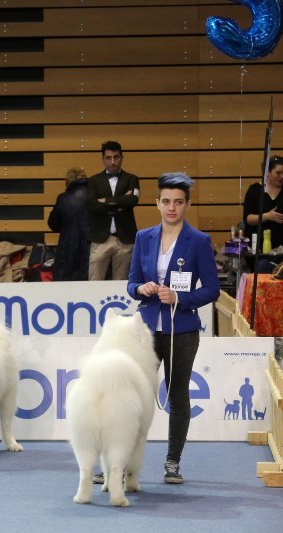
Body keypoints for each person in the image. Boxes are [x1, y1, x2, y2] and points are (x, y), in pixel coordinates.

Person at [126, 172, 219, 483]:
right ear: (157, 203)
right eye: (166, 201)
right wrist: (141, 290)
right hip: (147, 328)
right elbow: (131, 283)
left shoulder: (200, 241)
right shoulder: (143, 237)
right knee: (136, 395)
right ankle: (122, 461)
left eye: (178, 202)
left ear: (187, 205)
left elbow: (212, 290)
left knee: (178, 395)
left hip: (184, 329)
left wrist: (180, 296)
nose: (171, 208)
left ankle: (172, 462)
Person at [86, 140, 140, 280]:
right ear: (103, 159)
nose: (113, 162)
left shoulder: (132, 179)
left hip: (125, 239)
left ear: (122, 157)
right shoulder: (93, 181)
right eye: (108, 158)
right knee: (94, 282)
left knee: (121, 284)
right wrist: (121, 203)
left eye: (116, 157)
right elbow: (91, 205)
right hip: (100, 239)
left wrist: (105, 201)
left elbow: (133, 200)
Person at [47, 167, 90, 281]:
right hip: (90, 245)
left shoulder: (62, 198)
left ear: (67, 182)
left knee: (65, 284)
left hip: (67, 246)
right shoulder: (93, 196)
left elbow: (52, 224)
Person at [243, 155, 283, 253]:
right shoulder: (254, 190)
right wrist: (267, 216)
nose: (282, 176)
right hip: (258, 251)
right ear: (267, 172)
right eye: (278, 173)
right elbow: (248, 219)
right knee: (262, 265)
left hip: (281, 251)